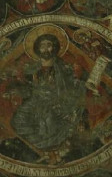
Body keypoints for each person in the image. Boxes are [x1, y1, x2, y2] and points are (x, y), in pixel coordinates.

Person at [10, 25, 85, 157]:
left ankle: (49, 143)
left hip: (57, 100)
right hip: (35, 100)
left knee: (48, 120)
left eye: (48, 45)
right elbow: (27, 88)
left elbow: (72, 85)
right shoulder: (30, 69)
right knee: (18, 120)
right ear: (37, 48)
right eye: (42, 46)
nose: (45, 49)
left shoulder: (64, 68)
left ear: (54, 47)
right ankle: (41, 143)